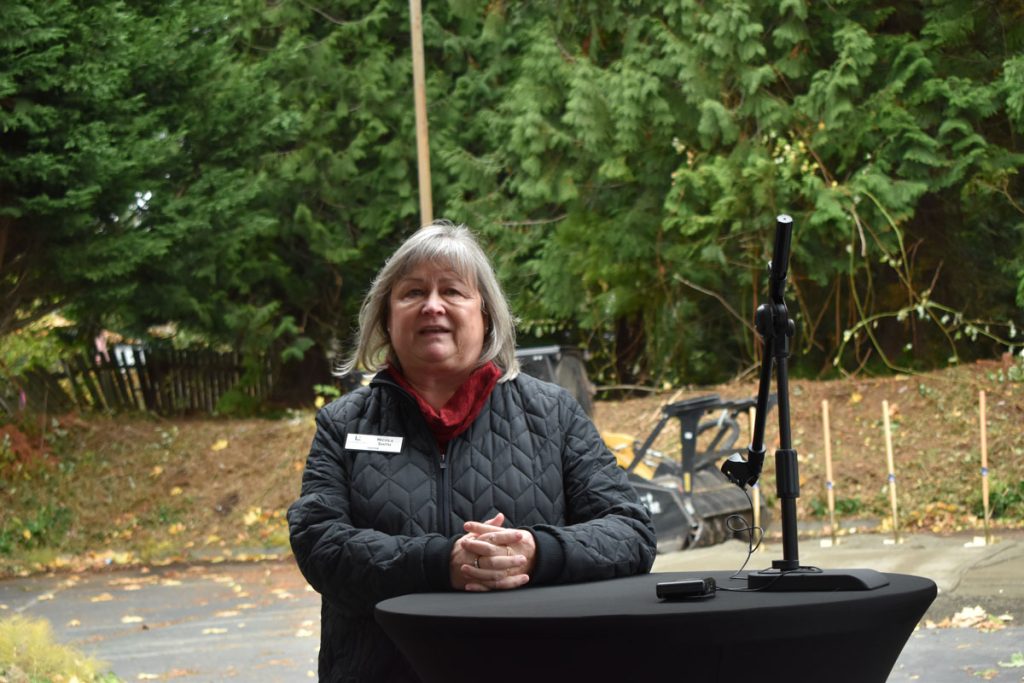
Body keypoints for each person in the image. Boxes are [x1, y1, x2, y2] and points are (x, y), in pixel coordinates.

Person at [287, 221, 657, 682]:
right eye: (413, 292)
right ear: (386, 317)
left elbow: (631, 533)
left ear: (487, 315)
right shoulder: (344, 423)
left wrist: (538, 552)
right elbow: (319, 543)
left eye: (454, 291)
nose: (433, 305)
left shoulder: (553, 413)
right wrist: (439, 563)